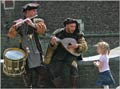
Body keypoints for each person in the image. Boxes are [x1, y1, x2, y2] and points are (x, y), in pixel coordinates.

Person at [7, 3, 47, 88]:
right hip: (24, 49)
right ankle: (28, 86)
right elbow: (11, 35)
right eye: (33, 11)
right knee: (26, 71)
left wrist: (32, 24)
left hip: (36, 49)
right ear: (26, 12)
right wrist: (16, 27)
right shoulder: (18, 22)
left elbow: (42, 31)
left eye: (35, 10)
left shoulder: (38, 21)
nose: (35, 12)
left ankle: (39, 86)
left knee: (41, 70)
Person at [44, 18, 88, 88]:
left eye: (74, 26)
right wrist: (52, 43)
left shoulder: (78, 34)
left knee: (74, 67)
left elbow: (84, 46)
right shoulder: (58, 33)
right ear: (66, 26)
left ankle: (74, 87)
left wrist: (77, 46)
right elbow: (53, 47)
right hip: (60, 54)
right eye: (71, 26)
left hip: (72, 55)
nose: (73, 28)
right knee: (53, 69)